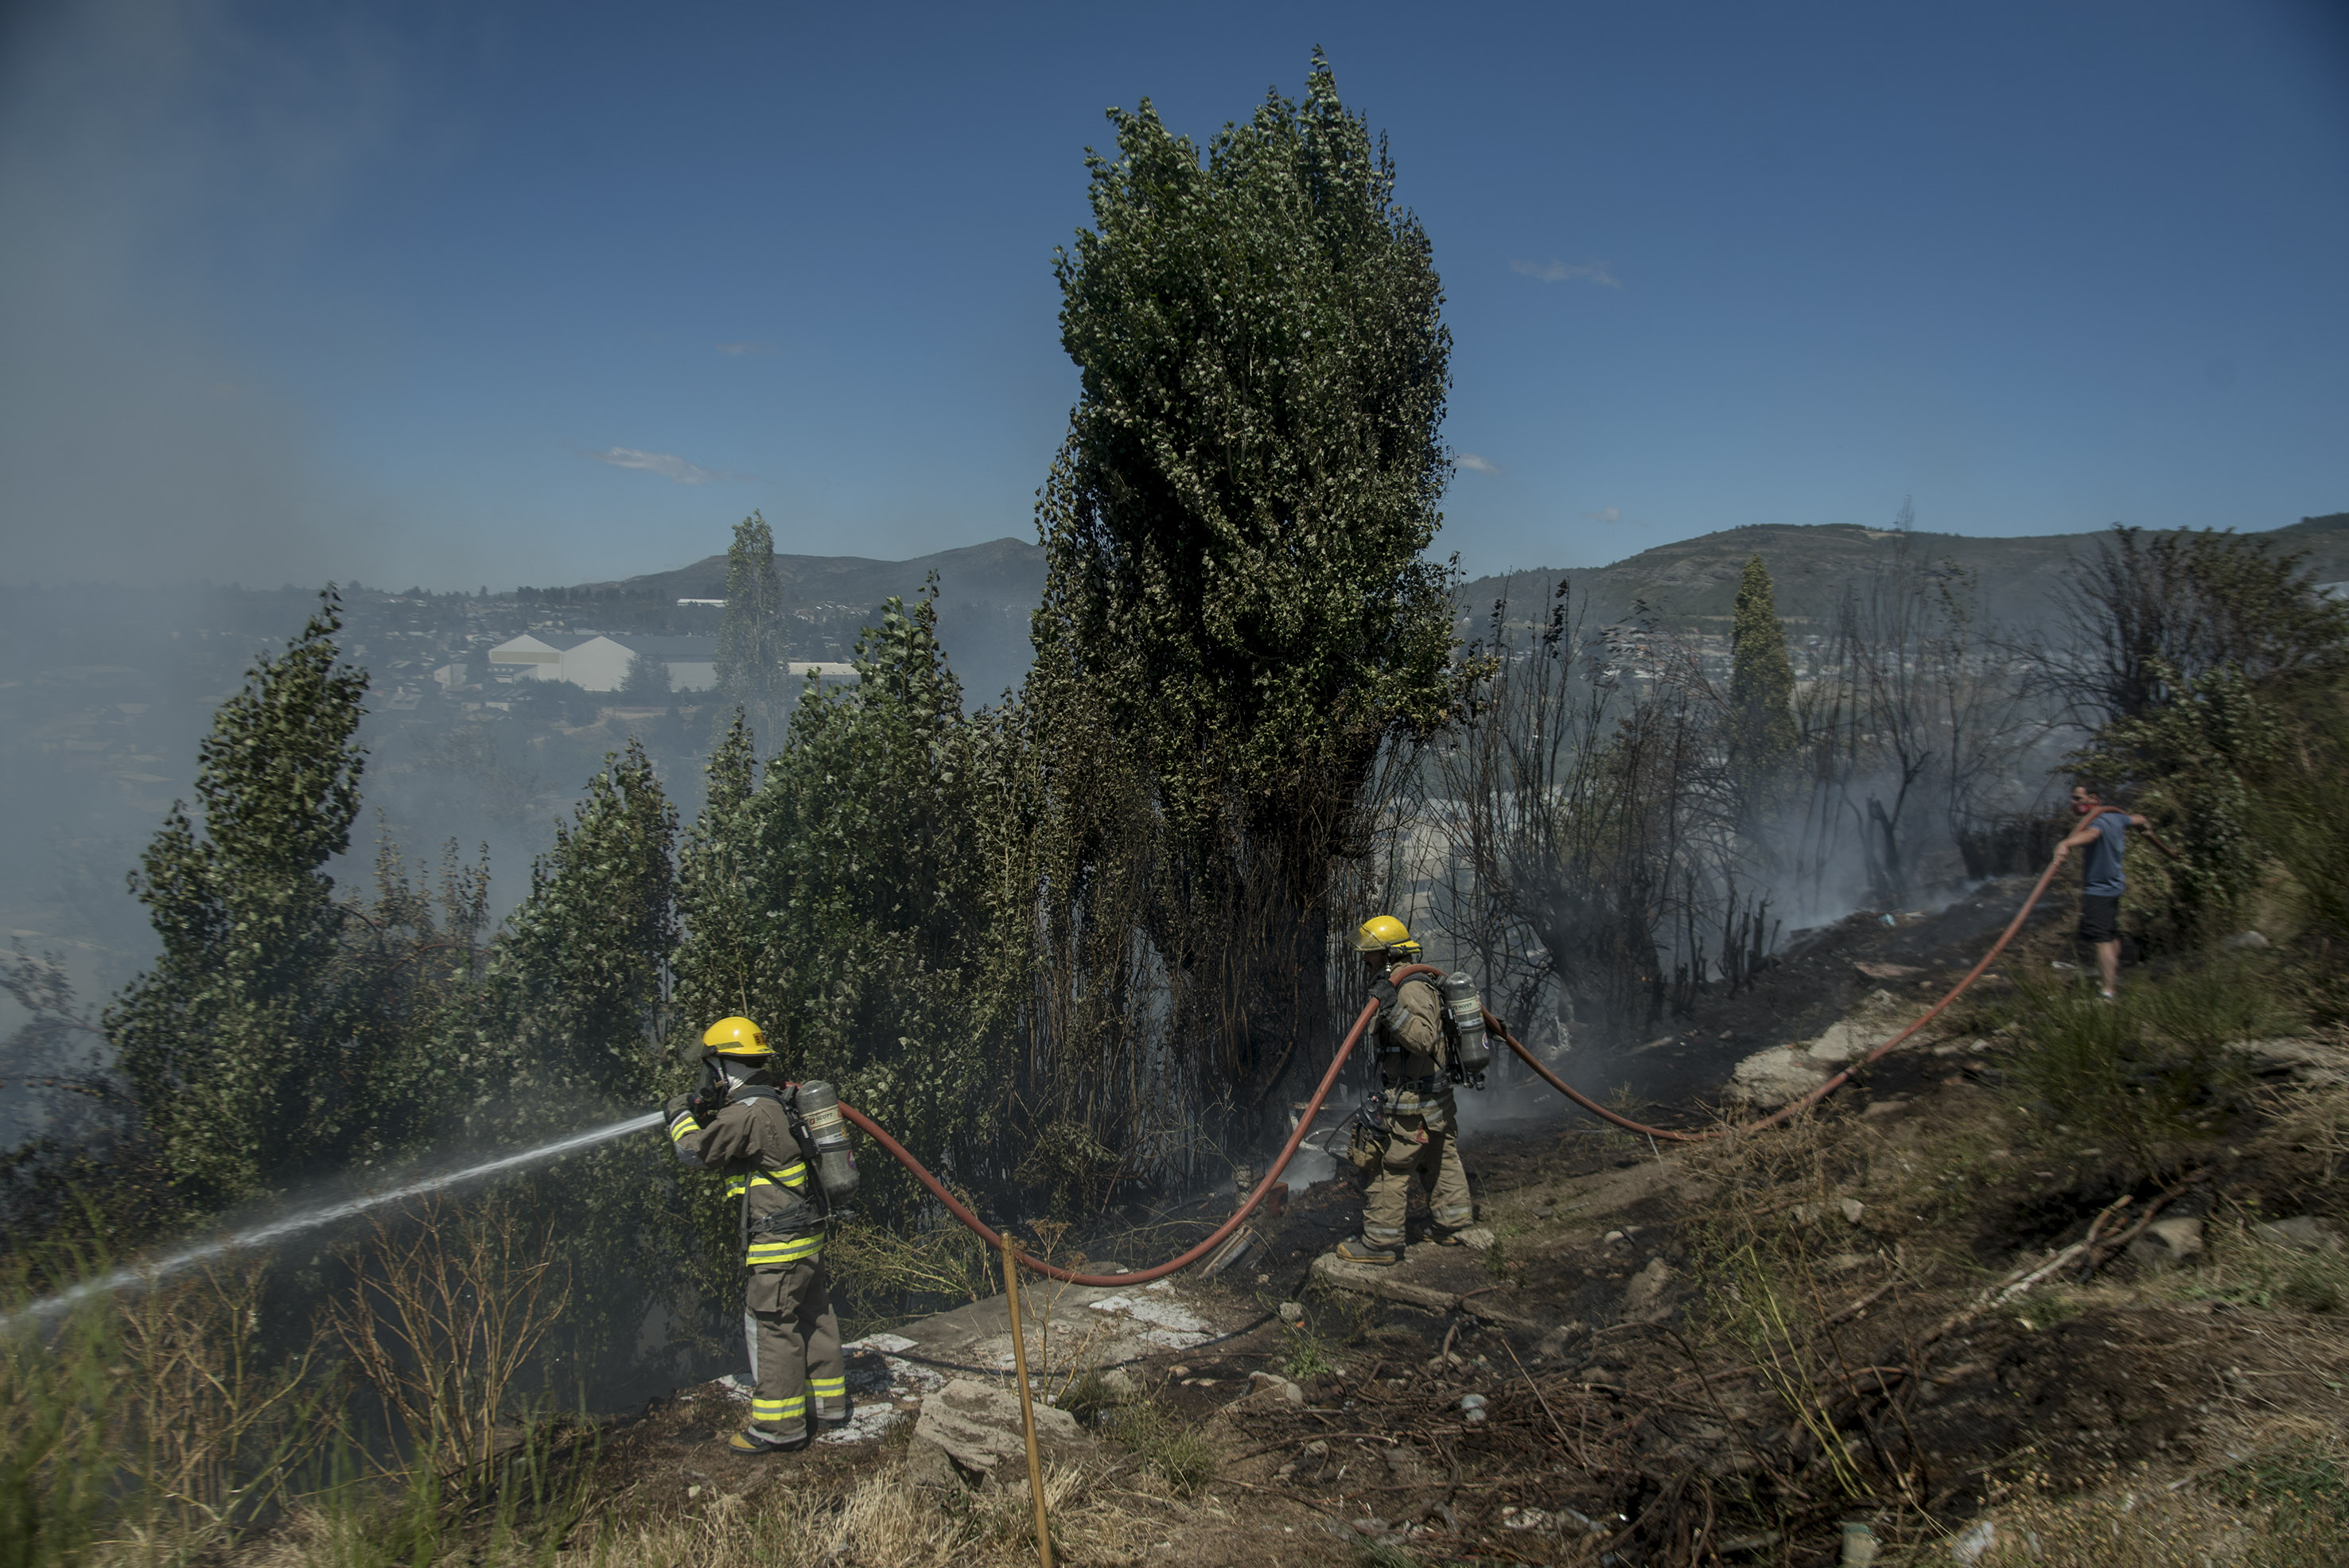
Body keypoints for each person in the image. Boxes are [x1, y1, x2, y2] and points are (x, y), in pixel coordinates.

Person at [665, 1017, 848, 1453]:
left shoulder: (744, 1115)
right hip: (806, 1235)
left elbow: (695, 1153)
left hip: (777, 1241)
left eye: (710, 1067)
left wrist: (679, 1118)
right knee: (814, 1315)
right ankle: (829, 1408)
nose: (706, 1077)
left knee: (773, 1324)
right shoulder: (778, 1101)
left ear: (726, 1066)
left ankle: (777, 1428)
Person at [1335, 916, 1476, 1266]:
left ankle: (1381, 1245)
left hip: (1413, 1105)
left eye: (1371, 954)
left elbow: (1424, 1039)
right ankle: (1452, 1224)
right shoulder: (1408, 983)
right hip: (1431, 1103)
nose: (1365, 961)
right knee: (1438, 1158)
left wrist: (1391, 1007)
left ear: (1389, 954)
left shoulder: (1410, 988)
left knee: (1386, 1167)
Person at [2049, 782, 2149, 1000]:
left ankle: (2107, 992)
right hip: (2114, 888)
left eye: (2077, 798)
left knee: (2102, 940)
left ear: (2092, 799)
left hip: (2099, 891)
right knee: (2110, 936)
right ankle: (2110, 980)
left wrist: (2066, 843)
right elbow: (2137, 819)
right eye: (2072, 799)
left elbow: (2092, 834)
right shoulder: (2117, 817)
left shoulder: (2099, 821)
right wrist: (2145, 826)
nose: (2073, 803)